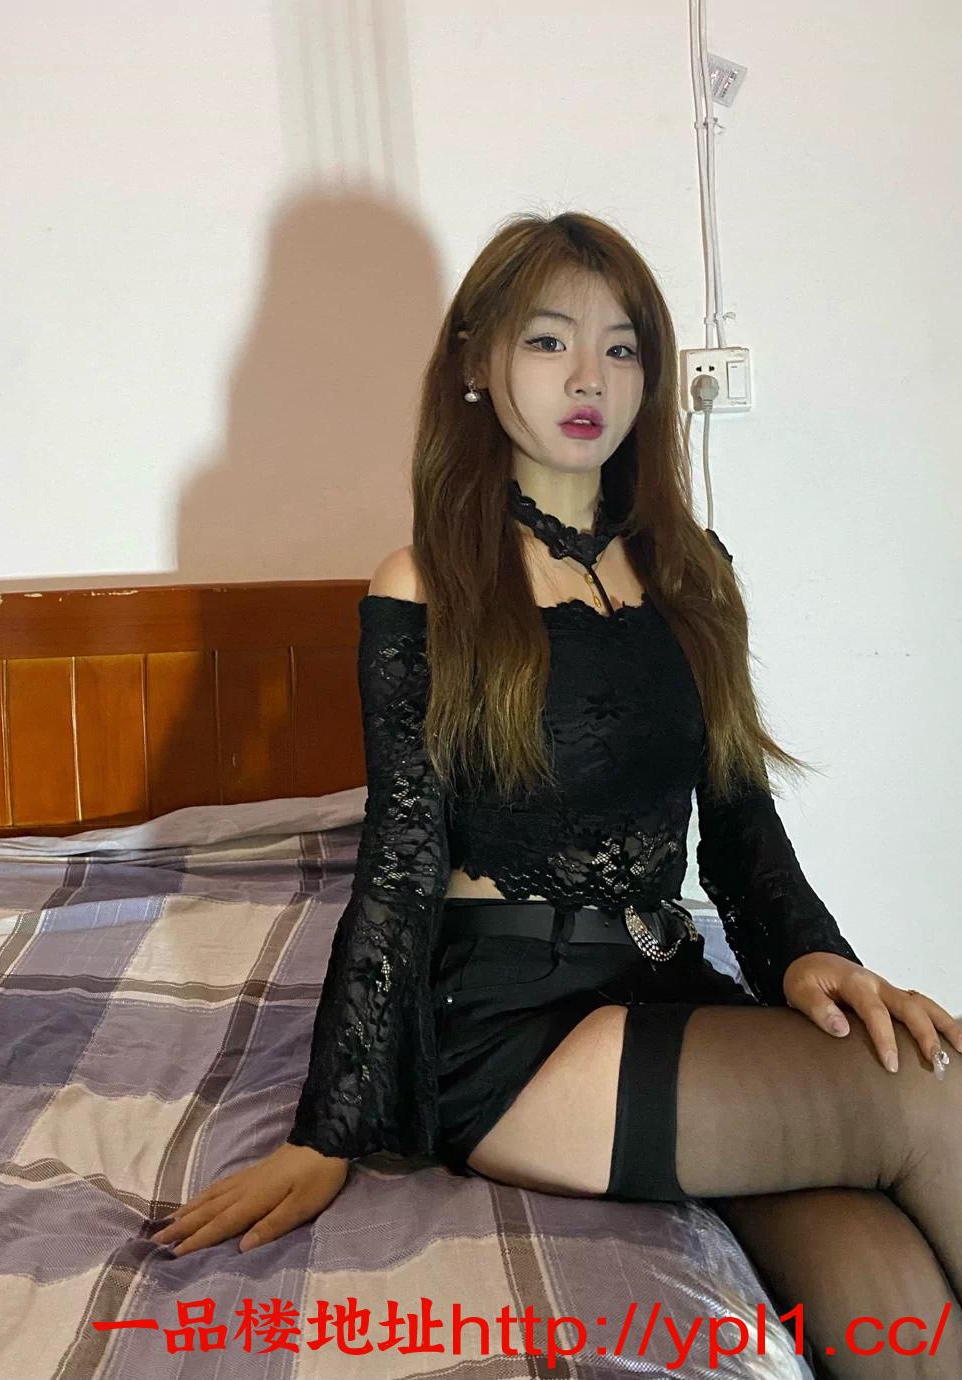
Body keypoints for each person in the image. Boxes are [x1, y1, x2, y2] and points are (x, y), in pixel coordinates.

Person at [151, 212, 962, 1374]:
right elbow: (401, 861)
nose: (590, 377)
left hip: (669, 988)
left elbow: (738, 822)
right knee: (933, 1094)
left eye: (622, 347)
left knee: (886, 1276)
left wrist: (810, 959)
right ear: (477, 364)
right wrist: (331, 1131)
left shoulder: (691, 572)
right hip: (516, 1032)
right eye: (549, 341)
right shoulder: (429, 585)